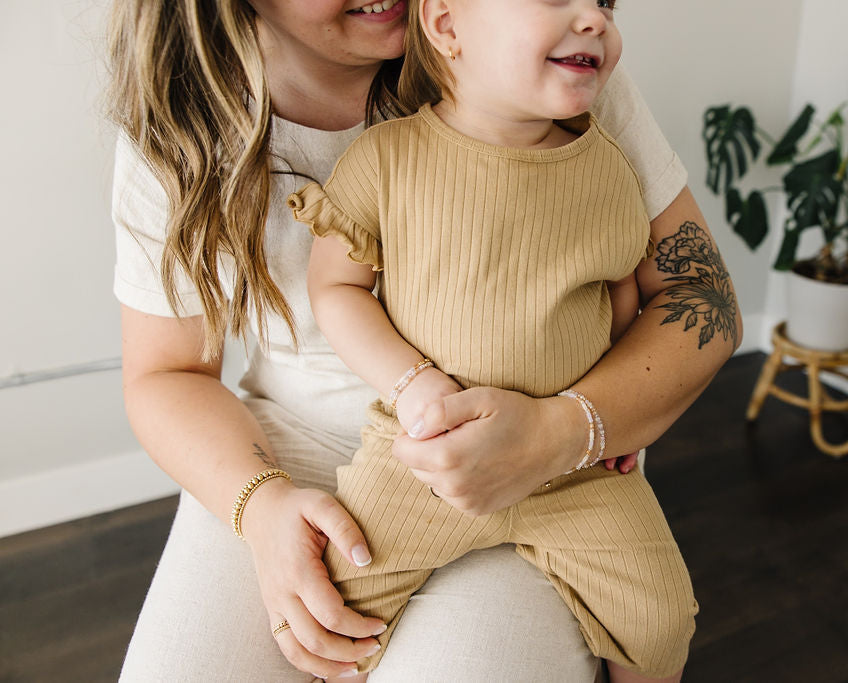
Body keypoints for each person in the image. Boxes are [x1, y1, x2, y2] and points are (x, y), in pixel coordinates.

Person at [109, 0, 741, 680]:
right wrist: (261, 505)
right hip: (284, 449)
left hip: (541, 459)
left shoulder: (550, 68)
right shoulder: (186, 132)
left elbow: (695, 296)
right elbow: (166, 374)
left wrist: (570, 427)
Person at [292, 0, 699, 680]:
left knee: (661, 619)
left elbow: (623, 291)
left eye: (604, 2)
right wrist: (412, 383)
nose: (594, 19)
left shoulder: (607, 166)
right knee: (331, 606)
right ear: (446, 26)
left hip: (573, 472)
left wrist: (615, 423)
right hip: (420, 459)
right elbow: (335, 289)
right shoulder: (386, 160)